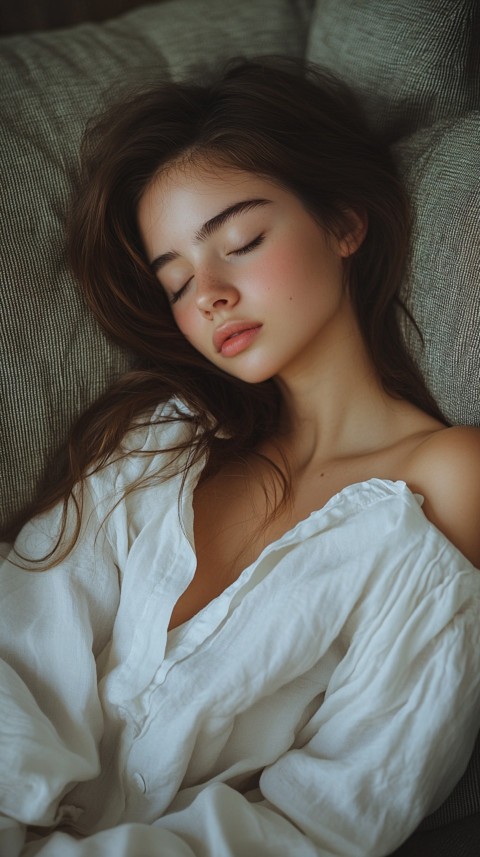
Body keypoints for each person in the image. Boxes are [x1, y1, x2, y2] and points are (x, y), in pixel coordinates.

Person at [1, 56, 479, 857]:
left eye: (241, 241)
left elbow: (334, 811)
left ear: (344, 223)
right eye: (177, 281)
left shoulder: (444, 481)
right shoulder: (157, 442)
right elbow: (19, 640)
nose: (210, 293)